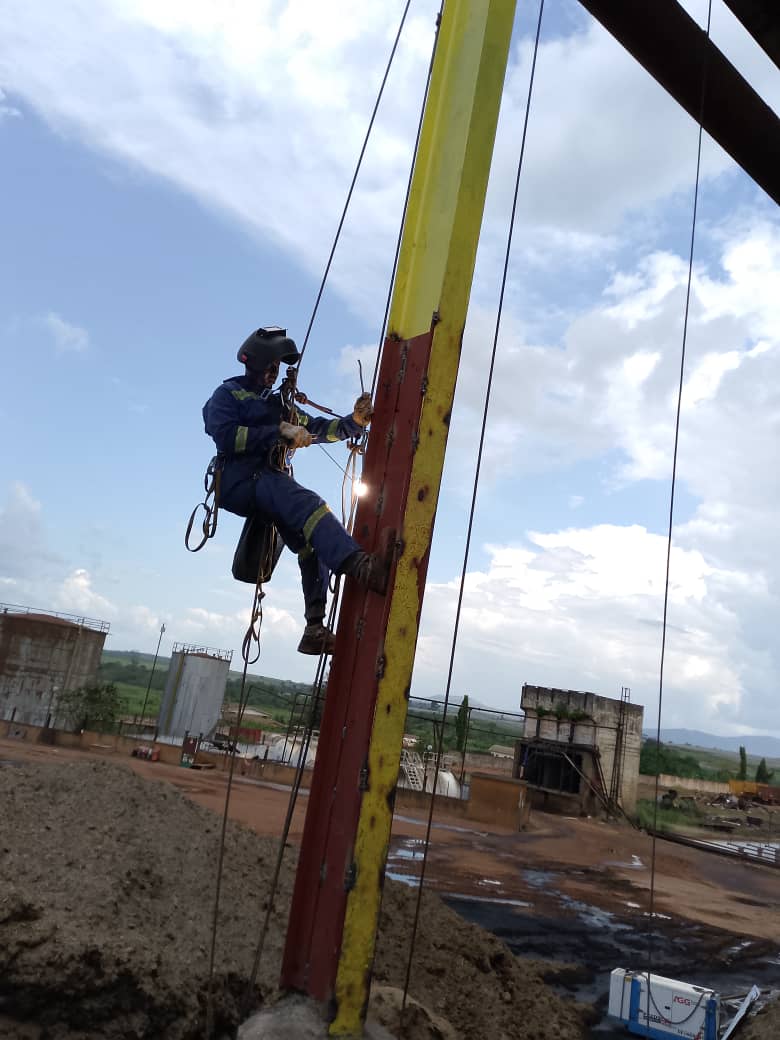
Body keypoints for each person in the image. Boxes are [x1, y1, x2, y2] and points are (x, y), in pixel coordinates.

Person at [202, 326, 386, 655]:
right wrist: (277, 432)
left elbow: (317, 429)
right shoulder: (228, 395)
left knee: (310, 541)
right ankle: (359, 565)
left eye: (277, 369)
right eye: (270, 367)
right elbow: (226, 436)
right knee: (310, 506)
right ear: (255, 363)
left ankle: (315, 627)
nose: (274, 374)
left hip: (267, 481)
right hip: (239, 481)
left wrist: (355, 421)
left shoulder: (280, 406)